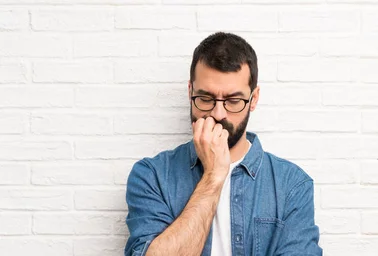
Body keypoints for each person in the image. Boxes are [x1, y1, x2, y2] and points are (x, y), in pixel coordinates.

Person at [123, 32, 322, 256]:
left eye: (233, 101)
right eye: (206, 98)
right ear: (190, 93)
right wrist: (214, 175)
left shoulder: (292, 185)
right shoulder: (152, 176)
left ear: (253, 100)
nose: (218, 114)